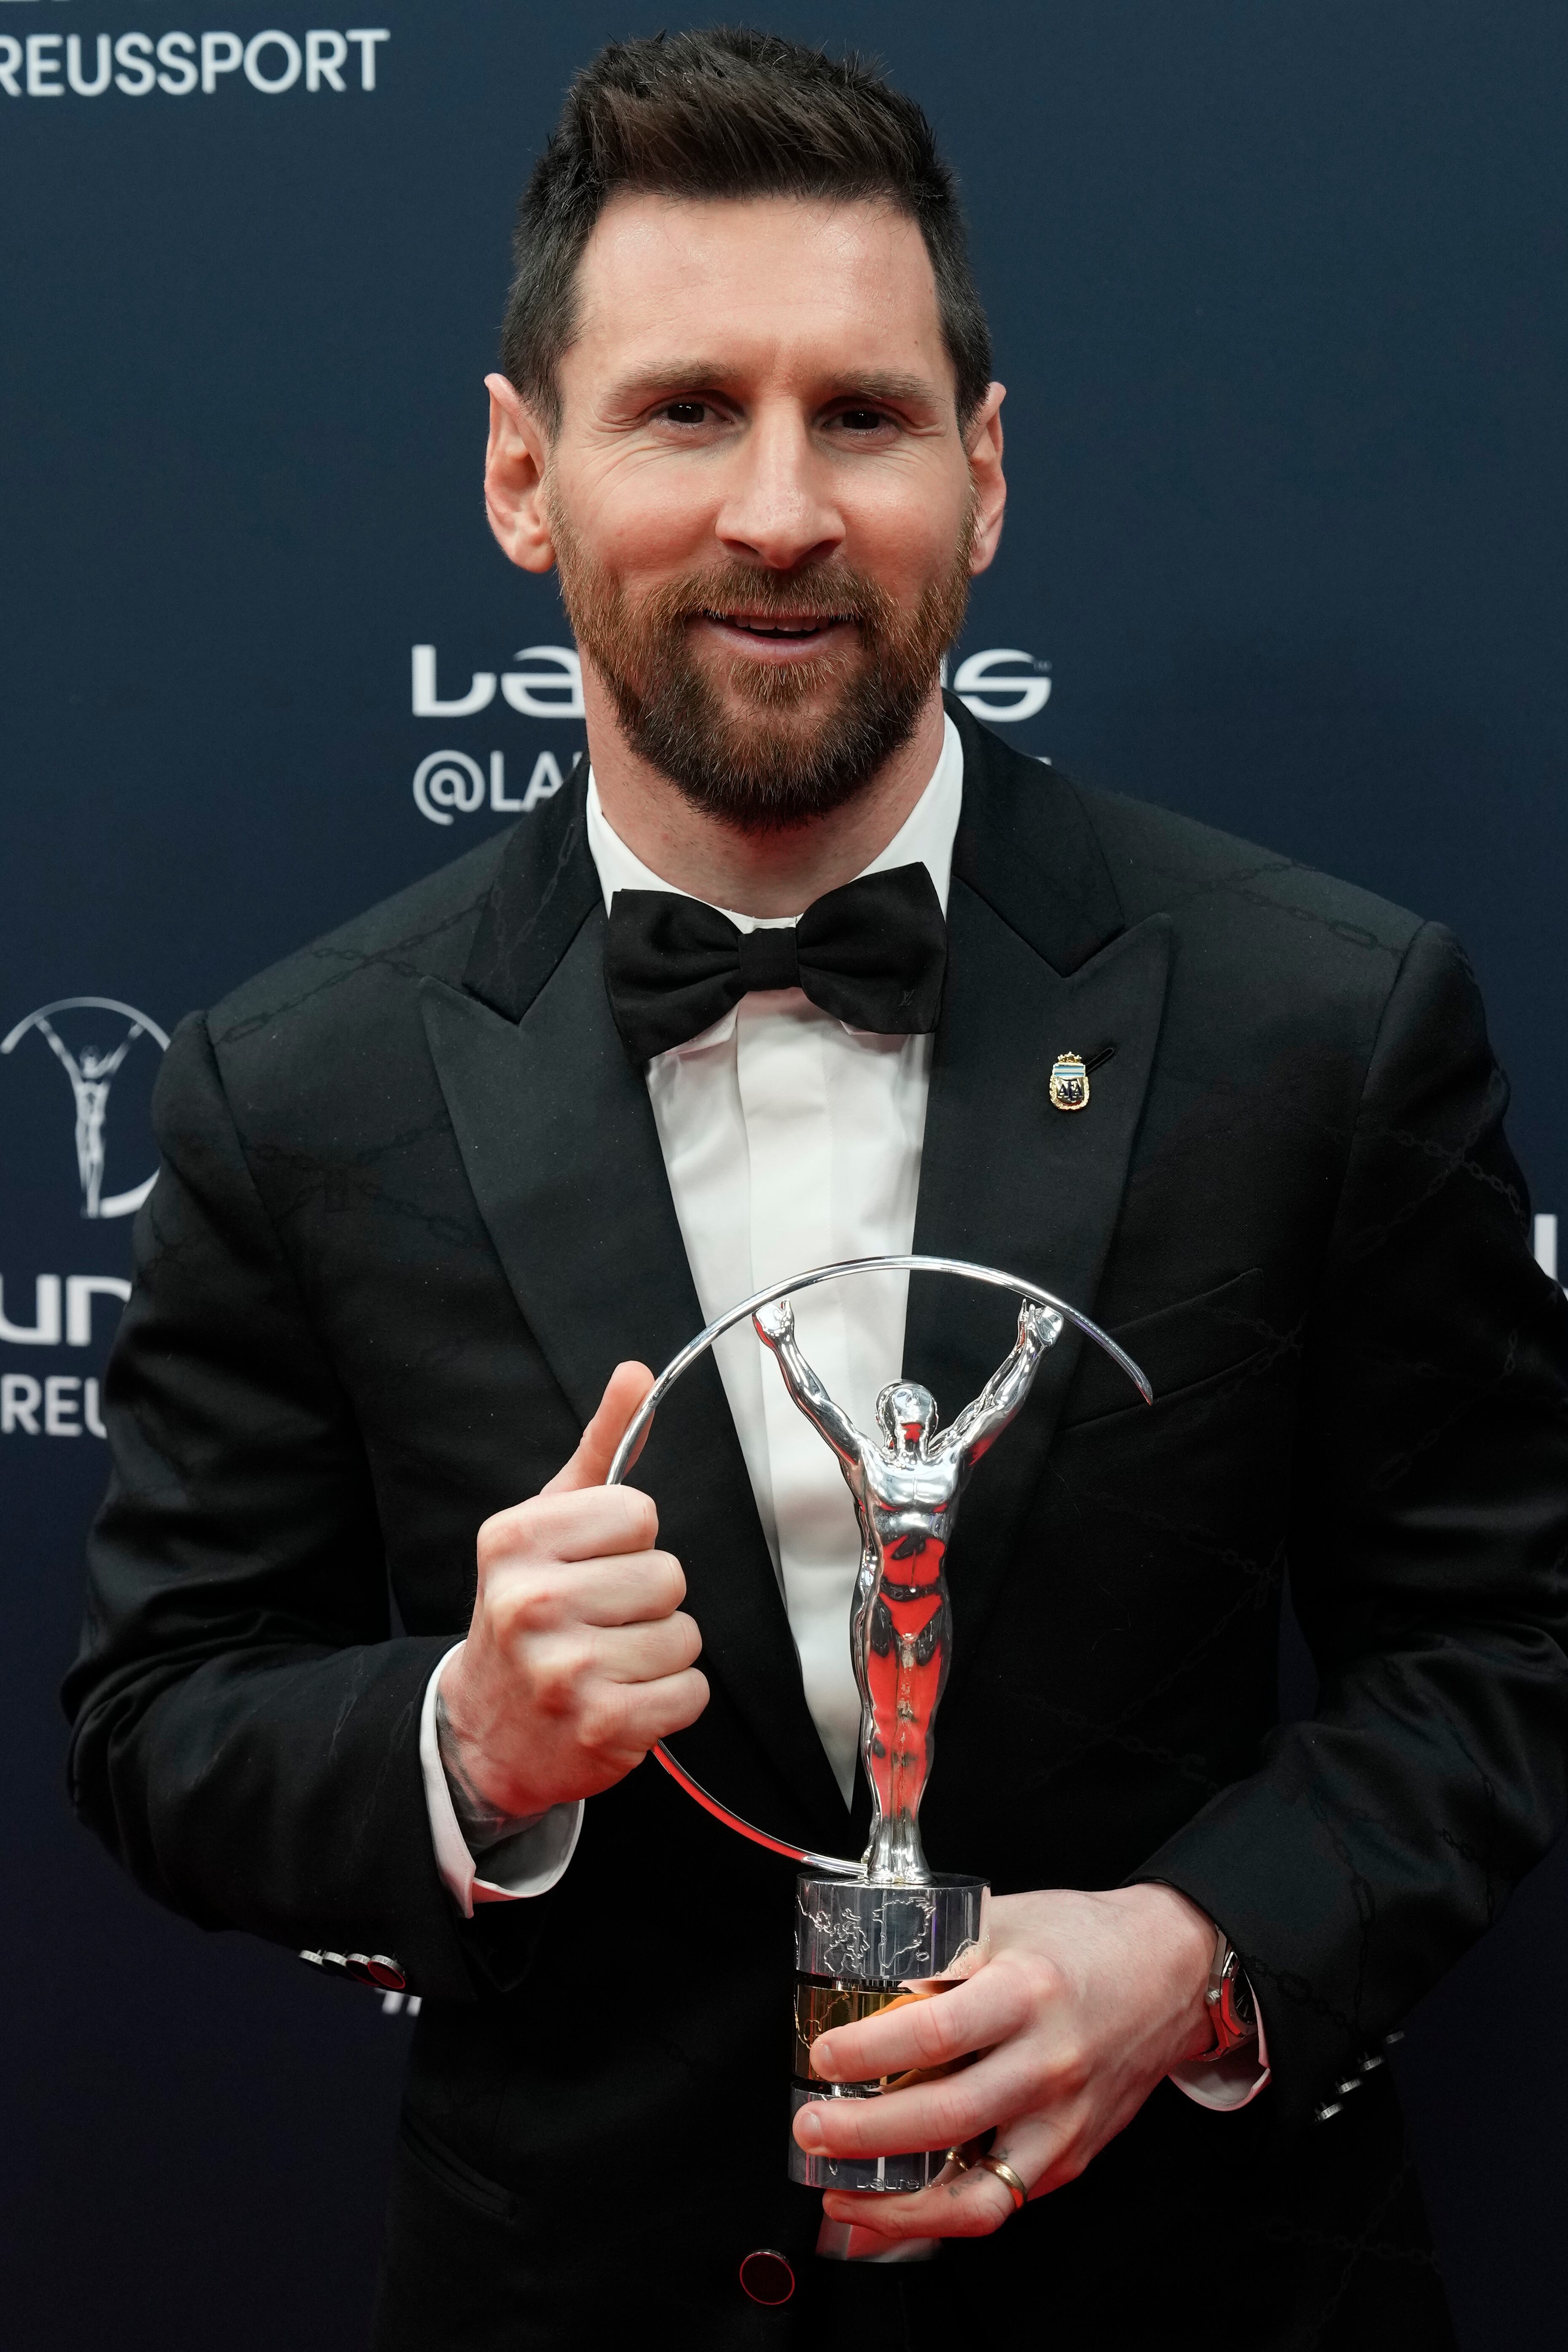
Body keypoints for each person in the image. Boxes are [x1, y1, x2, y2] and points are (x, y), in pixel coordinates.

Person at [64, 28, 1568, 2350]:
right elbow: (161, 1713)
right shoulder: (296, 1081)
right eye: (683, 410)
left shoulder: (1325, 1014)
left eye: (858, 416)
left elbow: (1504, 1647)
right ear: (517, 474)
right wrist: (463, 1740)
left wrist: (1190, 1959)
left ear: (979, 476)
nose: (779, 510)